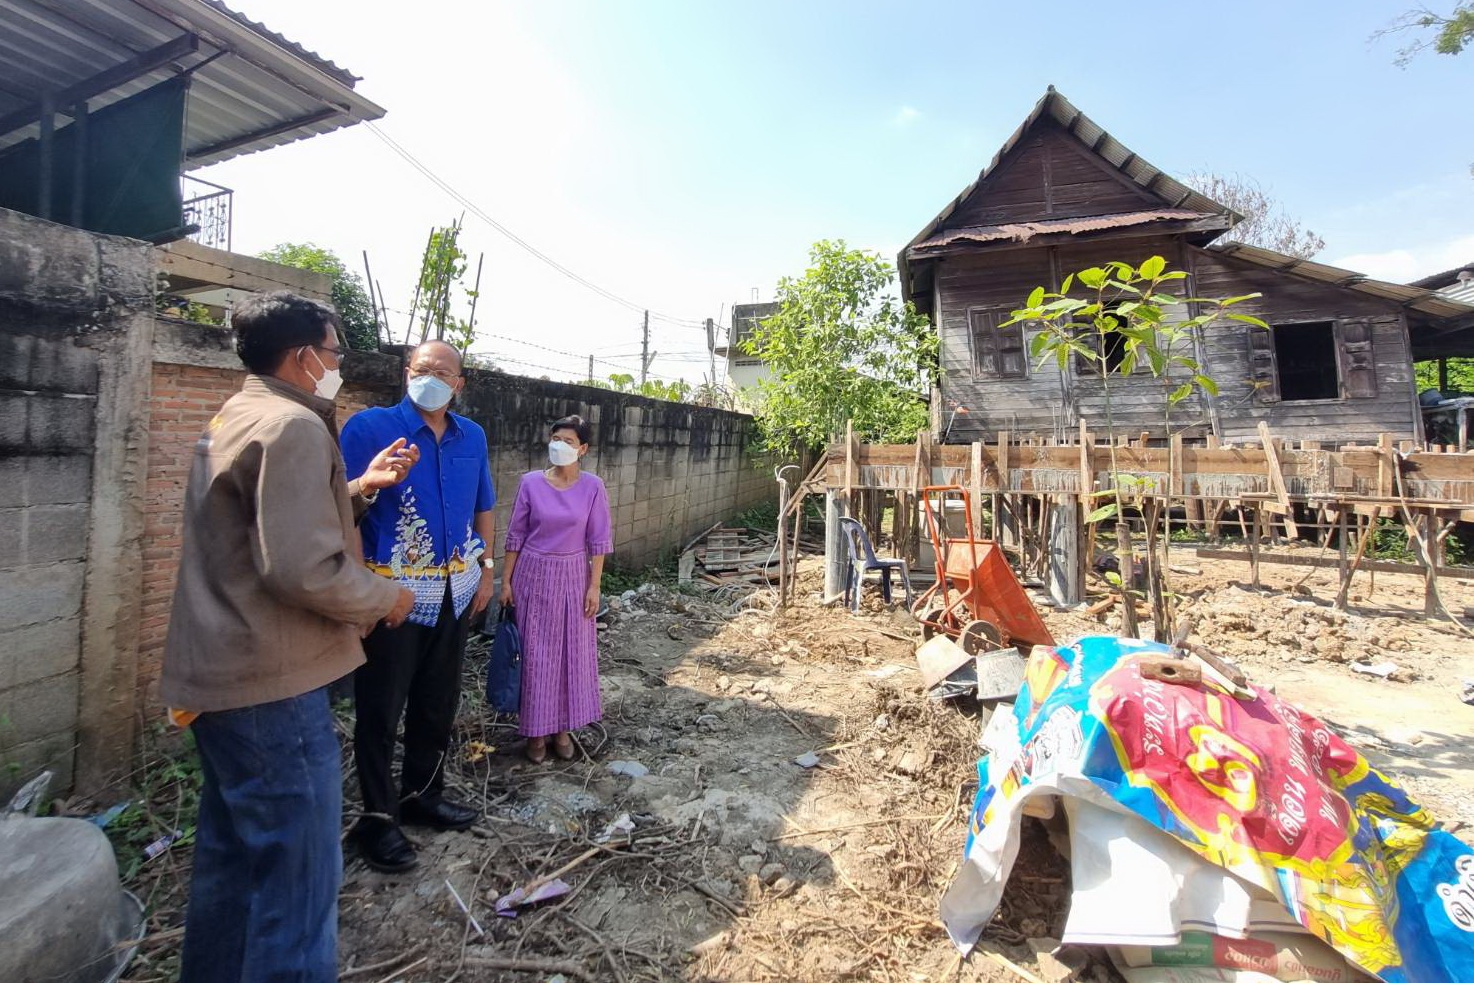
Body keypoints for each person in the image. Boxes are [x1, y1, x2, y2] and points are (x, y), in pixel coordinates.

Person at [159, 291, 418, 983]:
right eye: (335, 353)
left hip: (221, 680)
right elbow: (303, 566)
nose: (338, 366)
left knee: (233, 867)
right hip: (271, 685)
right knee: (298, 887)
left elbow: (263, 528)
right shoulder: (295, 428)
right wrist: (387, 596)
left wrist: (360, 486)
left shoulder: (237, 415)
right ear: (305, 356)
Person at [340, 340, 497, 872]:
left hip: (457, 590)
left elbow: (484, 507)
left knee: (437, 703)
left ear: (459, 383)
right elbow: (340, 512)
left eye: (441, 371)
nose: (429, 377)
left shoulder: (471, 437)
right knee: (380, 711)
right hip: (394, 598)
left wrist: (487, 571)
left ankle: (423, 796)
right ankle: (377, 822)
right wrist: (361, 591)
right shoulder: (369, 428)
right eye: (420, 369)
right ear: (406, 373)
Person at [498, 415, 613, 763]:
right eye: (555, 438)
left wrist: (594, 586)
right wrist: (505, 580)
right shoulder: (531, 482)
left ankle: (563, 728)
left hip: (574, 577)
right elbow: (516, 534)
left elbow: (599, 540)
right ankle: (534, 733)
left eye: (567, 441)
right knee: (534, 656)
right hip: (532, 575)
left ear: (583, 449)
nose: (559, 446)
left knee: (570, 656)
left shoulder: (593, 487)